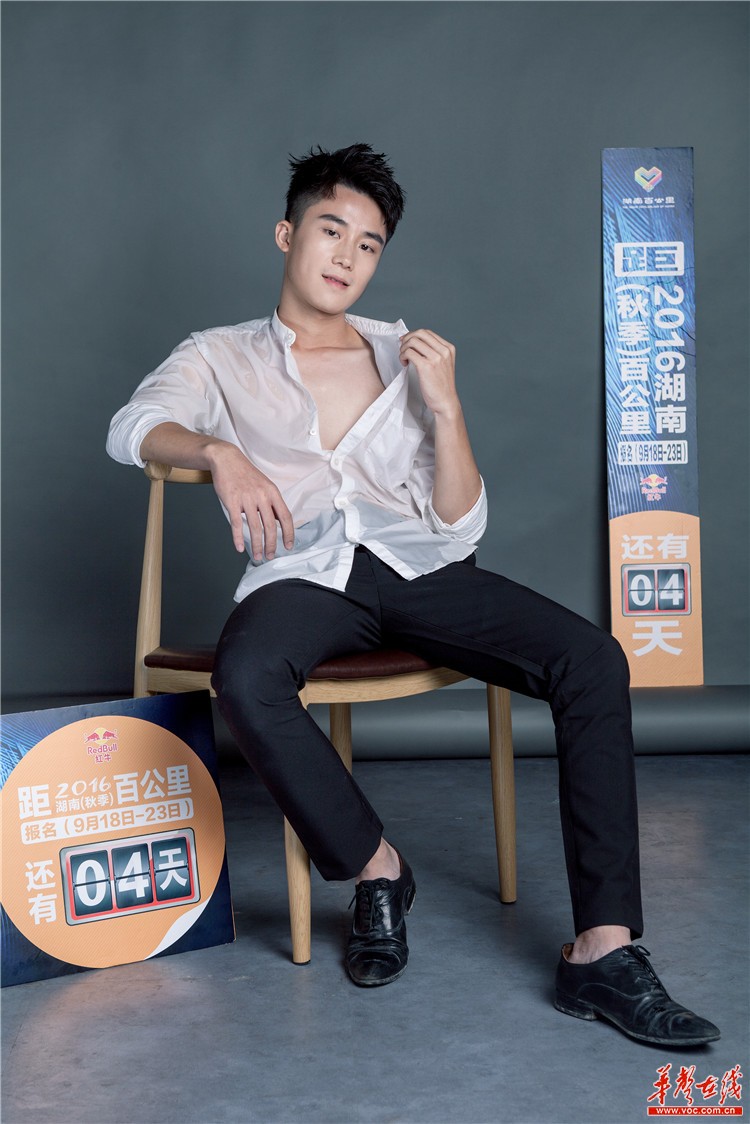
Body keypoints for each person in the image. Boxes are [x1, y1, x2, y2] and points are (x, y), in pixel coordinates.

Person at [107, 142, 719, 1046]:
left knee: (592, 660)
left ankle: (602, 950)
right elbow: (132, 427)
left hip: (420, 568)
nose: (348, 256)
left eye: (369, 244)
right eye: (331, 231)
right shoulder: (220, 355)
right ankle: (377, 869)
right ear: (286, 235)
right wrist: (220, 452)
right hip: (305, 576)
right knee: (246, 677)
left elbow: (460, 526)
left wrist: (447, 406)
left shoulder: (406, 353)